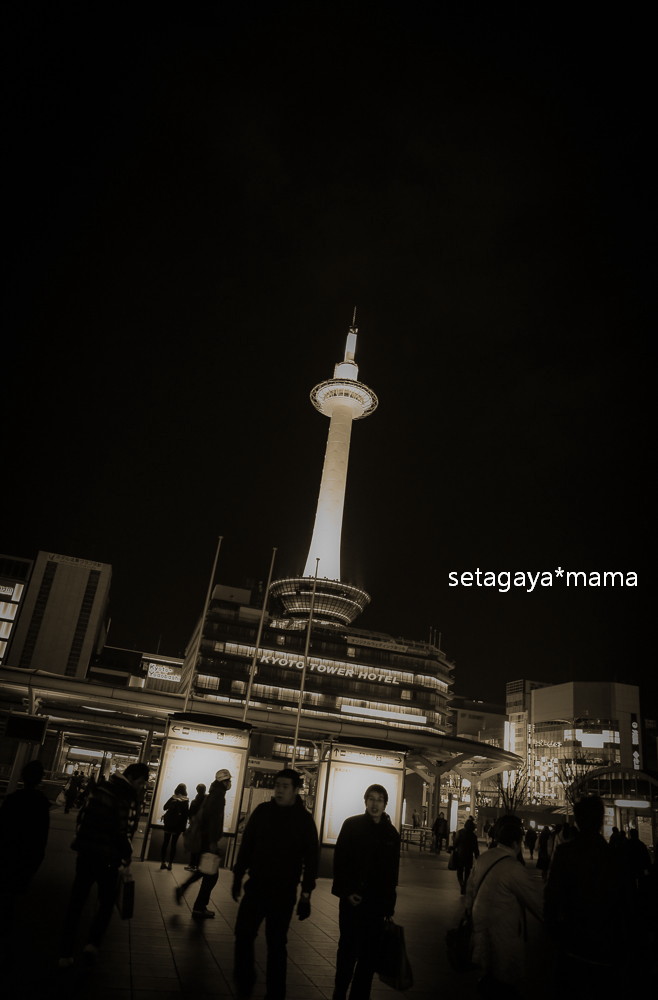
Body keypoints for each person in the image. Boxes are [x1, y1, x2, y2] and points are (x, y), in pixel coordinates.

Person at [231, 768, 319, 1000]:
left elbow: (312, 859)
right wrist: (238, 875)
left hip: (284, 891)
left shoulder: (304, 820)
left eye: (285, 786)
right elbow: (247, 845)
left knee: (277, 943)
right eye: (277, 785)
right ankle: (245, 978)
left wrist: (306, 893)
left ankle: (276, 992)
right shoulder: (262, 812)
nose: (279, 790)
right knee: (243, 933)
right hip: (256, 886)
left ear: (296, 790)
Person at [58, 761, 149, 967]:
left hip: (86, 853)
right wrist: (126, 853)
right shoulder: (124, 795)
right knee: (106, 902)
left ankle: (65, 951)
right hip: (108, 857)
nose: (142, 786)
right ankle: (92, 943)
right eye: (142, 782)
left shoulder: (101, 788)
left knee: (77, 901)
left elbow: (82, 817)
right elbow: (121, 829)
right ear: (132, 778)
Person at [544, 795, 636, 990]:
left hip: (573, 944)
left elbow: (551, 900)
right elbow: (628, 905)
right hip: (606, 947)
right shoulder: (615, 857)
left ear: (577, 821)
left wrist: (558, 934)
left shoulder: (565, 854)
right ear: (601, 820)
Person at [331, 783, 400, 1000]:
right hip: (353, 900)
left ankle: (360, 995)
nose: (375, 804)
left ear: (385, 804)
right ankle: (339, 992)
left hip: (376, 904)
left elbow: (392, 872)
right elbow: (340, 861)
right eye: (371, 798)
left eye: (379, 799)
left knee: (369, 956)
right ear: (365, 801)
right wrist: (346, 891)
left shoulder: (391, 834)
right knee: (348, 949)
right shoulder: (351, 825)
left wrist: (389, 905)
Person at [465, 814, 543, 998]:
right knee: (503, 983)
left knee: (486, 978)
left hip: (480, 929)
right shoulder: (513, 868)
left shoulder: (484, 858)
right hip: (504, 934)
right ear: (516, 843)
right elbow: (537, 903)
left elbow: (470, 891)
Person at [175, 769, 231, 918]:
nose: (229, 783)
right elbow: (213, 820)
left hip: (205, 839)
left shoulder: (214, 793)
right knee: (210, 875)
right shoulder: (218, 796)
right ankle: (198, 906)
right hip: (208, 841)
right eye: (228, 780)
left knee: (206, 872)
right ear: (223, 782)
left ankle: (188, 895)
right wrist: (212, 842)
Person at [159, 782, 189, 869]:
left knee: (165, 843)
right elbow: (185, 815)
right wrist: (183, 828)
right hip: (177, 826)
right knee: (173, 844)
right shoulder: (186, 800)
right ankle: (170, 864)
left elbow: (164, 807)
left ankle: (162, 862)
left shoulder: (173, 797)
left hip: (168, 824)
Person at [452, 816, 479, 894]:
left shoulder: (460, 833)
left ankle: (461, 884)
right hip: (469, 856)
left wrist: (453, 847)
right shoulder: (473, 836)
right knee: (467, 871)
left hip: (460, 855)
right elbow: (475, 848)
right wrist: (477, 856)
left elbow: (455, 843)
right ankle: (465, 883)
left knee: (459, 871)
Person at [185, 782, 208, 870]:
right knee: (201, 847)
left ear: (197, 790)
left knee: (194, 846)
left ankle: (192, 864)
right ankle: (198, 865)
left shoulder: (195, 801)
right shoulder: (207, 800)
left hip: (195, 827)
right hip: (204, 827)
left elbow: (190, 814)